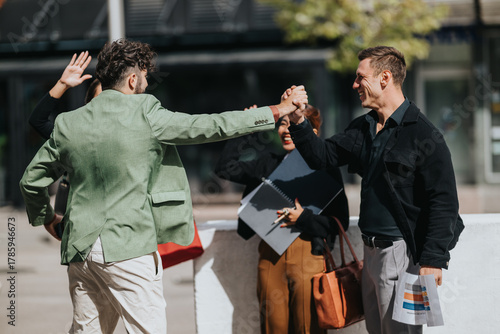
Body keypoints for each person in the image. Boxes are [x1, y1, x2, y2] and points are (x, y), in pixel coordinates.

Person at [19, 38, 308, 334]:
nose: (146, 84)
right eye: (144, 77)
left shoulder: (69, 123)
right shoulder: (145, 110)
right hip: (127, 248)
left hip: (80, 252)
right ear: (132, 79)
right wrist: (278, 109)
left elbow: (30, 181)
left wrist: (47, 218)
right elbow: (211, 126)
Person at [283, 46, 464, 334]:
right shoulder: (364, 127)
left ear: (385, 78)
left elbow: (444, 203)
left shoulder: (425, 135)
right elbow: (323, 157)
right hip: (370, 254)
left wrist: (433, 261)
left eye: (360, 77)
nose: (354, 85)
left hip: (403, 256)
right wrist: (298, 120)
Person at [215, 105, 349, 334]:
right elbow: (225, 168)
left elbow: (340, 223)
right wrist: (247, 127)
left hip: (309, 255)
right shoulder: (267, 163)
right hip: (270, 256)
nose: (286, 130)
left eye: (294, 124)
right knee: (272, 328)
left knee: (308, 328)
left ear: (312, 132)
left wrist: (303, 218)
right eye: (283, 123)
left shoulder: (326, 169)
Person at [29, 51, 101, 139]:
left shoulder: (122, 133)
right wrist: (62, 84)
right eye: (101, 99)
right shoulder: (77, 137)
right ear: (89, 104)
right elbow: (37, 121)